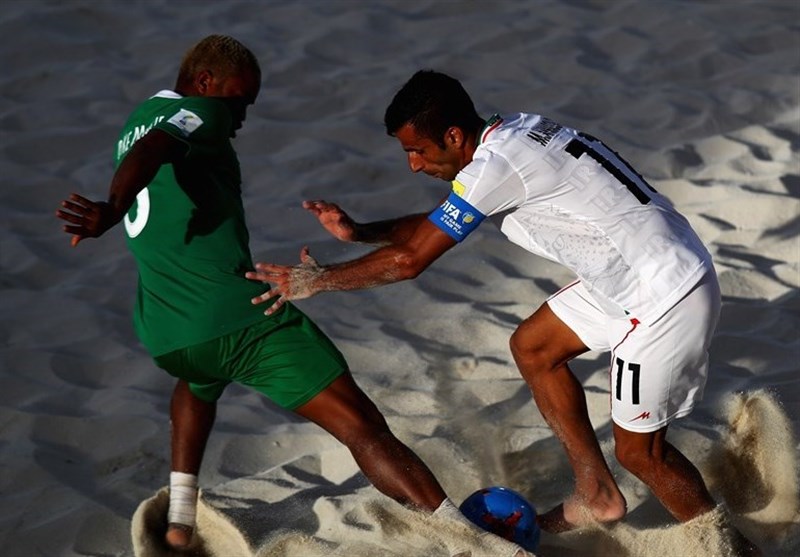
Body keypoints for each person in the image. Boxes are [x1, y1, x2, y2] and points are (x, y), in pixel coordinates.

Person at [247, 69, 759, 552]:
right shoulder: (511, 136)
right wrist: (361, 232)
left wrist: (317, 282)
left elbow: (409, 261)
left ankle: (730, 550)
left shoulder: (498, 166)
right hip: (631, 275)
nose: (414, 165)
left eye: (416, 151)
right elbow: (435, 226)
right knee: (534, 347)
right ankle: (596, 495)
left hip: (664, 292)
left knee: (639, 454)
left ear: (452, 136)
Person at [56, 43, 530, 556]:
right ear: (207, 81)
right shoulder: (200, 112)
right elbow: (158, 150)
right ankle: (478, 546)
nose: (238, 118)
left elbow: (149, 149)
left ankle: (178, 518)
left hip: (166, 328)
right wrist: (111, 208)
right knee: (363, 428)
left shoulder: (137, 119)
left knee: (197, 379)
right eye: (240, 102)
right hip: (239, 318)